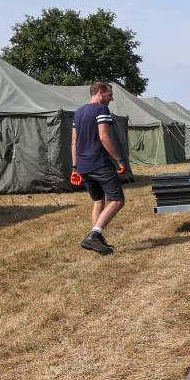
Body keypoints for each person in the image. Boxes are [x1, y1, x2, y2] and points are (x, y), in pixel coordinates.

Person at [71, 82, 128, 255]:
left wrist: (74, 167)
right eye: (110, 95)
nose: (112, 98)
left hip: (83, 165)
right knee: (117, 200)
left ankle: (97, 239)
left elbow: (74, 142)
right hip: (99, 162)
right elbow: (104, 137)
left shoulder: (78, 112)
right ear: (100, 92)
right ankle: (94, 235)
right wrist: (119, 159)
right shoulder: (101, 110)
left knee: (98, 201)